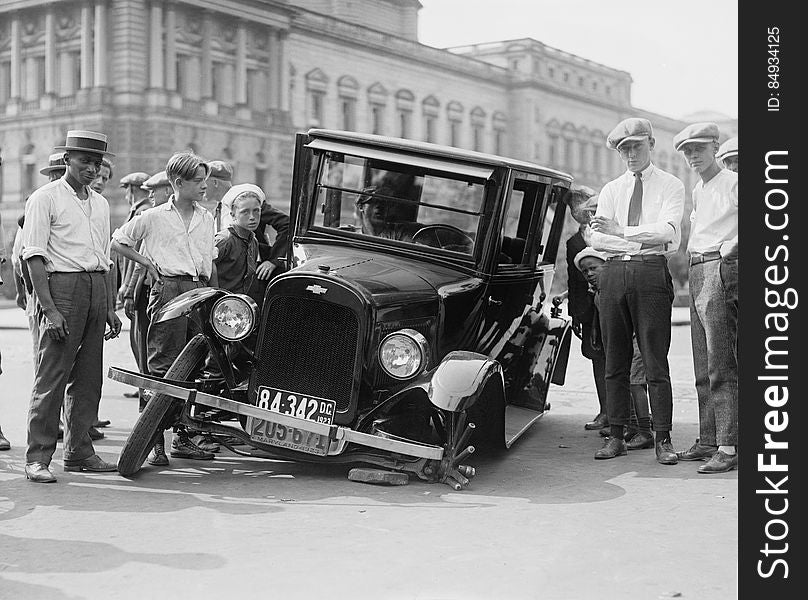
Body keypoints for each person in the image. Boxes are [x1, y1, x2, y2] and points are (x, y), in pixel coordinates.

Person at [21, 130, 122, 482]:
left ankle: (79, 451)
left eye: (97, 163)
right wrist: (48, 308)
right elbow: (33, 255)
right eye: (84, 161)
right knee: (52, 375)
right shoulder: (45, 198)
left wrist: (108, 305)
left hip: (95, 287)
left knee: (88, 376)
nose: (91, 169)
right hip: (61, 286)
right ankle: (37, 457)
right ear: (66, 159)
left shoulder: (100, 203)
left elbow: (105, 258)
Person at [111, 151, 218, 465]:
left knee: (194, 367)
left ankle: (182, 438)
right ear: (178, 182)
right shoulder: (154, 216)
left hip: (199, 290)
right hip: (169, 290)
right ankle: (154, 442)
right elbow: (118, 241)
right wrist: (149, 266)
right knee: (161, 368)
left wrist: (213, 294)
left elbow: (209, 261)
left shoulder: (206, 217)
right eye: (198, 181)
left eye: (206, 181)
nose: (205, 187)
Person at [589, 117, 685, 465]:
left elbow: (667, 232)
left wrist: (622, 230)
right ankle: (617, 435)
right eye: (623, 148)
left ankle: (663, 438)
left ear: (651, 144)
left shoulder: (671, 185)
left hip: (650, 272)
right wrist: (627, 233)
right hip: (613, 272)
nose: (630, 154)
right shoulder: (612, 189)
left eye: (636, 146)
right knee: (615, 360)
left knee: (655, 360)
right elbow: (596, 237)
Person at [673, 123, 738, 473]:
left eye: (699, 148)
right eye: (687, 151)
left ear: (715, 147)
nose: (693, 156)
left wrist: (734, 245)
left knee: (720, 361)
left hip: (719, 265)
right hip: (698, 267)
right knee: (702, 363)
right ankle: (709, 439)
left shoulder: (733, 181)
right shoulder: (699, 188)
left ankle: (728, 446)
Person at [575, 248, 655, 451]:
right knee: (624, 382)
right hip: (623, 343)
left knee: (636, 383)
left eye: (594, 268)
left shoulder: (619, 288)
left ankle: (645, 431)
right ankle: (632, 425)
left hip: (637, 341)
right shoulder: (598, 294)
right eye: (585, 271)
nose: (590, 274)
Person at [120, 171, 172, 411]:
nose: (150, 195)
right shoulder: (150, 214)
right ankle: (148, 399)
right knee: (144, 347)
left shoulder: (147, 215)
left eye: (154, 190)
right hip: (146, 290)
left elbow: (141, 262)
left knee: (147, 348)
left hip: (150, 291)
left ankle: (149, 402)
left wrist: (129, 290)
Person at [558, 185, 608, 432]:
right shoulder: (573, 242)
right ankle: (605, 411)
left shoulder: (609, 234)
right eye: (572, 205)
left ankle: (631, 414)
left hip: (611, 305)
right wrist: (575, 314)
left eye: (582, 202)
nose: (577, 209)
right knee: (597, 359)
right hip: (588, 312)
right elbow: (573, 279)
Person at [116, 171, 152, 400]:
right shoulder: (137, 212)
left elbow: (137, 259)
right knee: (138, 340)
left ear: (133, 189)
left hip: (138, 287)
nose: (127, 194)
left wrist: (128, 290)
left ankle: (146, 391)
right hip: (134, 287)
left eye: (127, 189)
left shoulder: (142, 212)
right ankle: (143, 387)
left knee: (142, 341)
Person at [205, 160, 234, 231]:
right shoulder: (219, 208)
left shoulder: (237, 206)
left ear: (215, 182)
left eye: (203, 181)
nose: (201, 186)